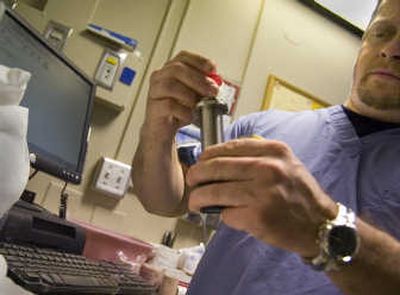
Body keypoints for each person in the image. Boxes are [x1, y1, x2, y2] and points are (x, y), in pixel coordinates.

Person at [132, 0, 400, 293]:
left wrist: (320, 228)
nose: (392, 49)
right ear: (363, 42)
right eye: (382, 32)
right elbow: (164, 200)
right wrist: (159, 130)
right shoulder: (262, 130)